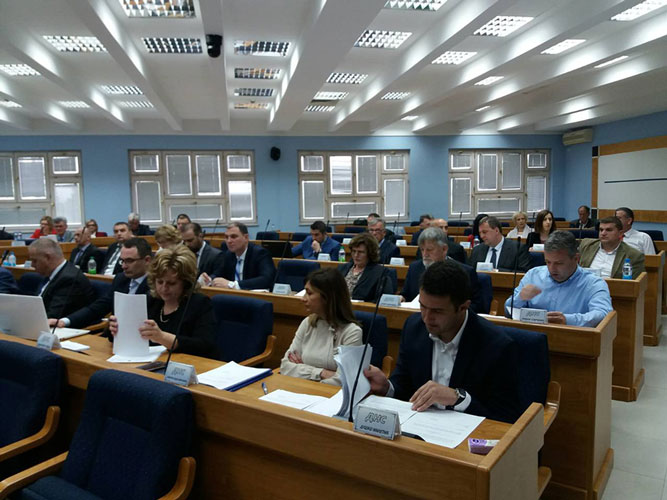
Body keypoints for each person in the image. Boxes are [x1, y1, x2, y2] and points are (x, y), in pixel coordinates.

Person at [364, 260, 523, 424]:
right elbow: (404, 387)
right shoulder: (414, 327)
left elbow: (506, 417)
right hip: (418, 427)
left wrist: (459, 399)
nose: (426, 318)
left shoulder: (497, 346)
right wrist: (387, 387)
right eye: (423, 307)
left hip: (466, 434)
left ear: (463, 307)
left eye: (437, 311)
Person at [109, 246, 217, 358]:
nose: (164, 288)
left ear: (186, 283)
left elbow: (205, 345)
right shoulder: (150, 300)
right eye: (160, 282)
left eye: (171, 283)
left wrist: (162, 337)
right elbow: (118, 337)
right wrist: (116, 330)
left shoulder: (200, 304)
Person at [505, 231, 613, 327]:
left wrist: (567, 320)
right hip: (533, 336)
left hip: (572, 339)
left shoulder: (594, 283)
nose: (552, 269)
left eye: (559, 263)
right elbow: (508, 310)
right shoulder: (533, 275)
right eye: (548, 262)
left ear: (576, 258)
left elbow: (603, 315)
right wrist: (520, 298)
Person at [280, 268, 362, 386]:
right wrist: (321, 373)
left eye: (309, 293)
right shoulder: (308, 323)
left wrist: (302, 369)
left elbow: (343, 380)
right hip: (300, 388)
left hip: (329, 394)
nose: (303, 299)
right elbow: (285, 366)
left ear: (327, 297)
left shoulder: (352, 332)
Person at [54, 238, 152, 328]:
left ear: (147, 260)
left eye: (129, 261)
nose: (124, 266)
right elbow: (98, 307)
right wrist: (64, 321)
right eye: (122, 261)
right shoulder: (121, 279)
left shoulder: (156, 285)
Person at [400, 227, 486, 313]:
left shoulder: (464, 272)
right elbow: (406, 294)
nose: (425, 254)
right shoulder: (414, 268)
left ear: (444, 249)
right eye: (422, 249)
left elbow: (476, 306)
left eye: (429, 250)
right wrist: (401, 298)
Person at [28, 238, 94, 319]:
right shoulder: (50, 274)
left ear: (48, 257)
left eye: (35, 261)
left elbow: (53, 316)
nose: (32, 265)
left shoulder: (69, 279)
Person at [205, 222, 275, 290]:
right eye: (226, 237)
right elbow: (219, 273)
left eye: (233, 237)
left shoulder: (260, 253)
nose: (229, 241)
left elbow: (266, 279)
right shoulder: (228, 255)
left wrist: (233, 285)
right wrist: (209, 279)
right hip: (233, 295)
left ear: (246, 238)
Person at [579, 216, 645, 279]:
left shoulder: (634, 255)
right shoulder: (587, 246)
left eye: (608, 230)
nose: (603, 233)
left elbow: (635, 284)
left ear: (620, 233)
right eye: (601, 230)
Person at [338, 233, 394, 302]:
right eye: (354, 251)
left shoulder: (380, 273)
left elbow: (383, 301)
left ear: (370, 253)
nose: (356, 255)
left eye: (361, 252)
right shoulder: (342, 268)